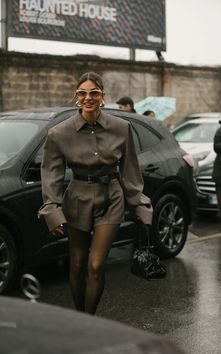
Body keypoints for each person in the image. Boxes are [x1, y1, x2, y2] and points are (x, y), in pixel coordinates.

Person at [39, 72, 152, 314]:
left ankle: (89, 321)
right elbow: (51, 174)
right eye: (82, 93)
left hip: (111, 197)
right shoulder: (59, 133)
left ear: (103, 96)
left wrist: (140, 204)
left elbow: (130, 170)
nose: (88, 98)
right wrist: (52, 209)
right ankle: (80, 318)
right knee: (78, 264)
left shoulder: (122, 128)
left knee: (96, 264)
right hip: (77, 198)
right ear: (76, 97)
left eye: (94, 93)